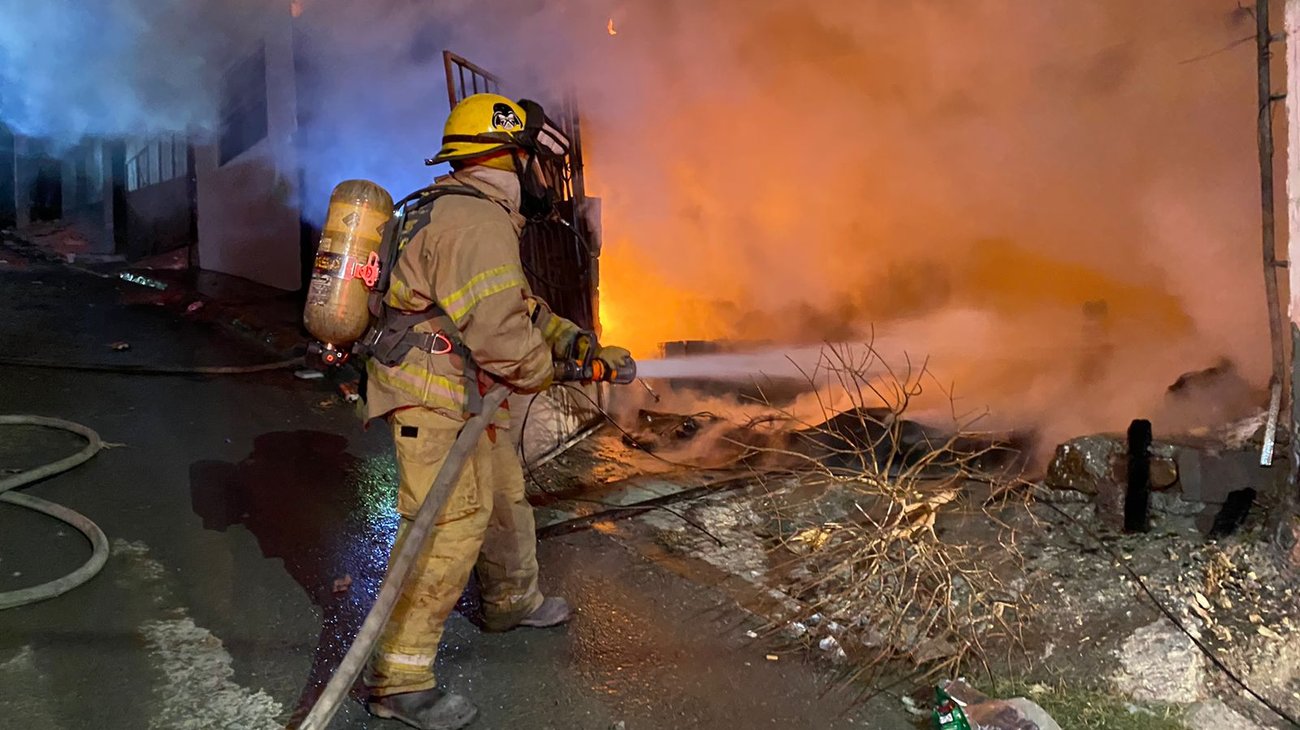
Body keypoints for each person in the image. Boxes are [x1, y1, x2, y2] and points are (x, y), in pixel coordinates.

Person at [360, 93, 630, 730]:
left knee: (505, 496)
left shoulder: (470, 213)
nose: (540, 176)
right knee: (445, 528)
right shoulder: (474, 223)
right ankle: (397, 681)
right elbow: (503, 335)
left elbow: (521, 308)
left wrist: (579, 343)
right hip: (437, 399)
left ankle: (511, 601)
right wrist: (557, 371)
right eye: (533, 160)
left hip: (471, 398)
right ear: (507, 155)